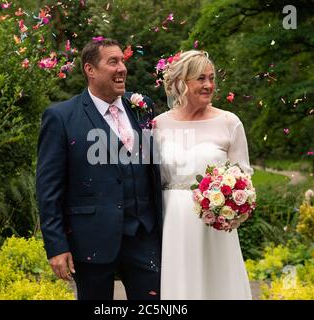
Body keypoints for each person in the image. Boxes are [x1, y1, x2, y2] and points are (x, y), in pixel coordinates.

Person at [36, 38, 162, 300]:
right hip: (91, 238)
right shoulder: (61, 117)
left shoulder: (142, 107)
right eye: (112, 62)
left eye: (123, 61)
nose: (122, 69)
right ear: (90, 70)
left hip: (143, 234)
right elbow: (48, 188)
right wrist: (56, 246)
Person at [154, 50, 253, 299]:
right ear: (181, 83)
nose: (208, 85)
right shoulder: (158, 125)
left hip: (214, 226)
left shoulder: (230, 123)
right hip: (171, 222)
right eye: (200, 79)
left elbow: (245, 179)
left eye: (211, 78)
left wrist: (233, 210)